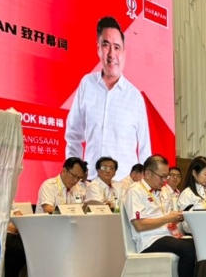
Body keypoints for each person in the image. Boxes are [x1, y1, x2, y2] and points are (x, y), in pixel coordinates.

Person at [64, 16, 151, 181]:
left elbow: (145, 148)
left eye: (117, 47)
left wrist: (143, 186)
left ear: (124, 53)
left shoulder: (135, 97)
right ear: (98, 48)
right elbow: (73, 135)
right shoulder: (87, 84)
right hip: (91, 182)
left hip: (124, 184)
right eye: (106, 45)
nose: (111, 54)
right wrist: (75, 175)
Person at [123, 155, 197, 277]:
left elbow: (164, 218)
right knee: (188, 250)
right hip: (149, 240)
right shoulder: (135, 191)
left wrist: (175, 218)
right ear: (148, 174)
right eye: (162, 177)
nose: (165, 181)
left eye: (166, 176)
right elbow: (139, 225)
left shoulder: (162, 191)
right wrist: (168, 218)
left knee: (198, 244)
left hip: (166, 235)